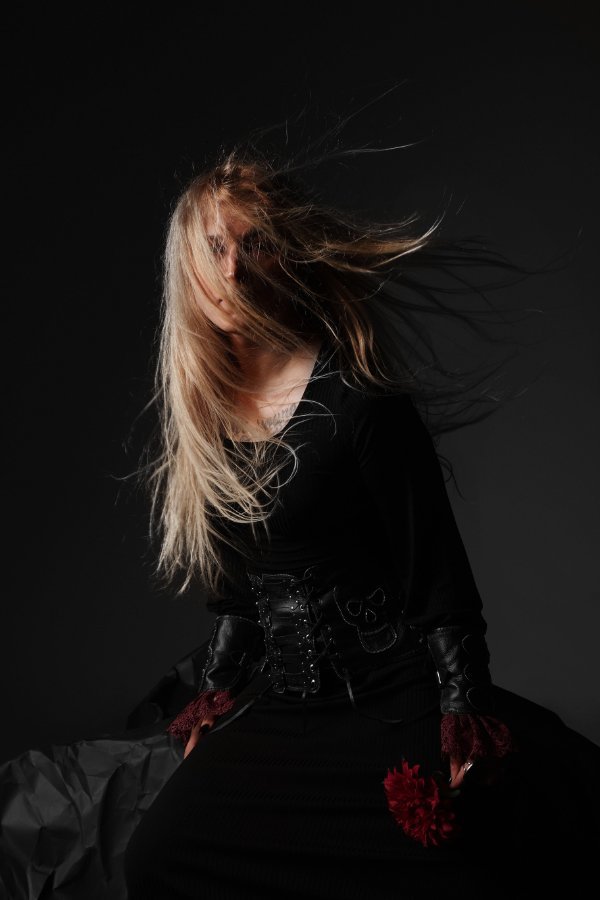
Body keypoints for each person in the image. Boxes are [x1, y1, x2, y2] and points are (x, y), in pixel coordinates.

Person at [1, 146, 598, 900]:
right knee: (159, 856)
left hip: (394, 701)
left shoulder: (361, 401)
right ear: (188, 265)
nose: (233, 272)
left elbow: (441, 588)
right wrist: (214, 697)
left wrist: (460, 718)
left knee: (465, 867)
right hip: (287, 708)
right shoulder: (209, 419)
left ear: (289, 255)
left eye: (255, 245)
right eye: (214, 248)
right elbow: (239, 599)